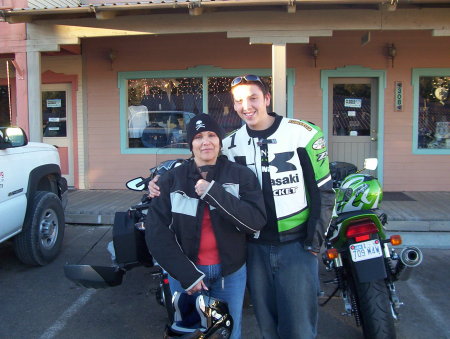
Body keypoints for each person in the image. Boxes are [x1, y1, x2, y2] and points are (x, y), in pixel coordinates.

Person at [150, 75, 335, 339]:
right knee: (266, 322)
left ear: (267, 99)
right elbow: (202, 157)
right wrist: (160, 178)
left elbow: (323, 193)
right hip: (253, 247)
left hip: (296, 244)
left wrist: (314, 244)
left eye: (253, 98)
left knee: (299, 325)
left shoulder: (302, 133)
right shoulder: (231, 142)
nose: (246, 106)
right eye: (239, 101)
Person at [145, 113, 267, 339]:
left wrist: (214, 193)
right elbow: (156, 233)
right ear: (191, 144)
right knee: (188, 333)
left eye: (211, 135)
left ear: (220, 141)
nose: (206, 142)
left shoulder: (241, 175)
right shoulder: (171, 179)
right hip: (186, 276)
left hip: (229, 273)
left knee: (227, 333)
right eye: (198, 137)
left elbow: (255, 221)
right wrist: (186, 275)